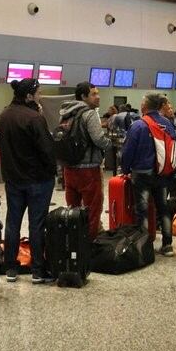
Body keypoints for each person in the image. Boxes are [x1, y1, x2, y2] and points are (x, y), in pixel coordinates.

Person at [0, 78, 57, 284]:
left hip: (13, 179)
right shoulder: (34, 118)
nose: (40, 96)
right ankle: (38, 270)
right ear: (29, 96)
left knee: (12, 222)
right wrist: (52, 171)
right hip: (37, 180)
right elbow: (47, 150)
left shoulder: (4, 116)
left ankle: (10, 268)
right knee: (36, 224)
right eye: (38, 93)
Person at [121, 93, 176, 256]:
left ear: (145, 106)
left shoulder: (138, 125)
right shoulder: (168, 123)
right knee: (163, 208)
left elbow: (128, 152)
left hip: (142, 173)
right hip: (163, 173)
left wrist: (125, 170)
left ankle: (145, 247)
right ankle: (167, 245)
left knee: (143, 209)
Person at [58, 82, 111, 240]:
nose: (98, 96)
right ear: (83, 97)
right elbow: (99, 139)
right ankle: (90, 244)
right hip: (88, 170)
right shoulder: (89, 113)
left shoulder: (65, 113)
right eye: (93, 94)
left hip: (69, 168)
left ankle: (74, 240)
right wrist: (110, 144)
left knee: (72, 208)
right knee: (92, 209)